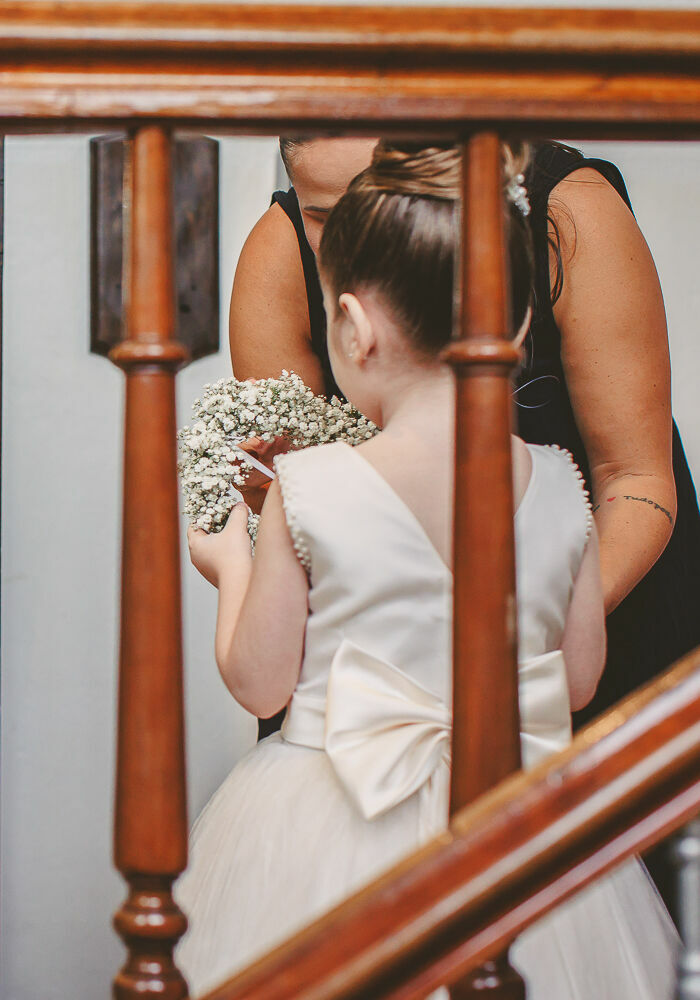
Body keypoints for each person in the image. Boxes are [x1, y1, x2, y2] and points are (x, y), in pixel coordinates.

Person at [178, 142, 675, 997]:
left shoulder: (305, 486)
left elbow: (263, 682)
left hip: (333, 805)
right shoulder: (561, 483)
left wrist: (228, 562)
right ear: (516, 325)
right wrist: (487, 642)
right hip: (516, 792)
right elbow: (577, 677)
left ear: (353, 327)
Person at [232, 137, 699, 740]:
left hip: (586, 616)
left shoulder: (568, 212)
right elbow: (305, 517)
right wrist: (267, 502)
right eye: (325, 216)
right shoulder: (279, 252)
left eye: (387, 200)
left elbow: (634, 478)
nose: (360, 244)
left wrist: (512, 636)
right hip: (381, 677)